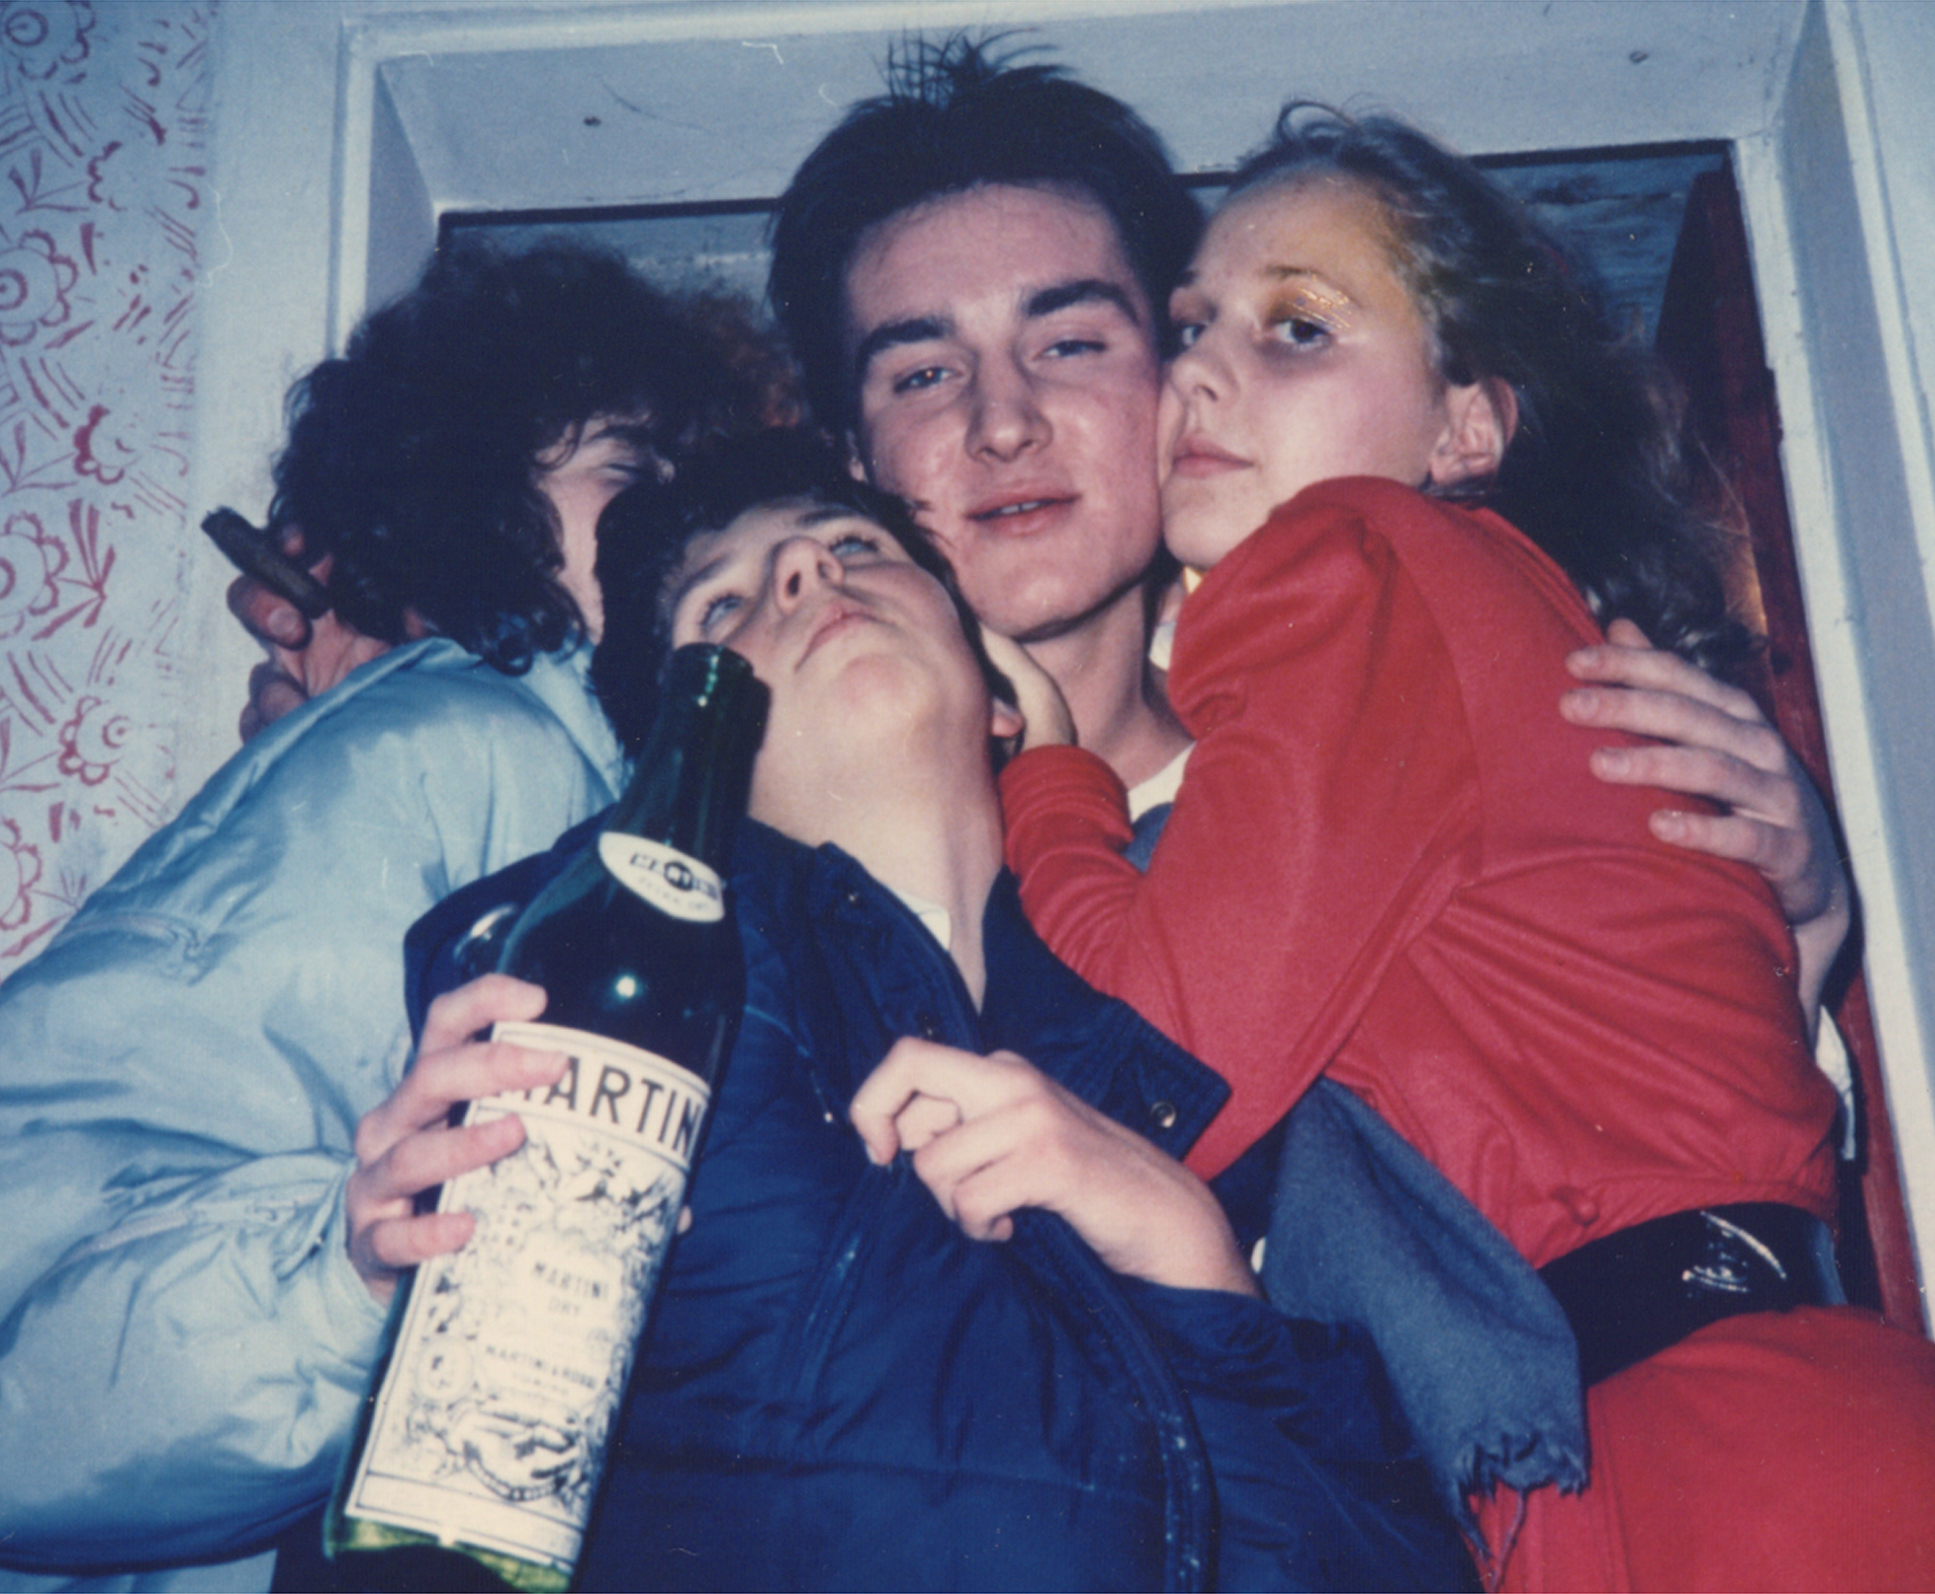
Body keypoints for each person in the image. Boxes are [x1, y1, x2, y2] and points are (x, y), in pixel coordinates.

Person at [236, 42, 1853, 1021]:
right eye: (921, 370)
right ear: (851, 454)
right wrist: (405, 688)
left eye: (1069, 342)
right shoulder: (724, 838)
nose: (1001, 422)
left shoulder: (1391, 716)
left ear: (1177, 374)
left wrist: (1802, 909)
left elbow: (1670, 1122)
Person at [993, 106, 1935, 1590]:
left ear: (1464, 429)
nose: (1203, 372)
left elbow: (1165, 1072)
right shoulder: (1477, 650)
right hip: (1664, 1452)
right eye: (1189, 329)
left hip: (1707, 1460)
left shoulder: (1351, 557)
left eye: (1298, 328)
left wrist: (1048, 784)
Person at [0, 242, 777, 1591]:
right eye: (628, 469)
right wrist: (342, 1278)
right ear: (470, 494)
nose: (675, 519)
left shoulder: (589, 799)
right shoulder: (464, 746)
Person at [395, 430, 1479, 1590]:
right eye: (723, 607)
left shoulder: (1152, 1067)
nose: (806, 571)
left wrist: (1192, 1255)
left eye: (852, 545)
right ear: (681, 752)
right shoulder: (627, 972)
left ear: (1001, 697)